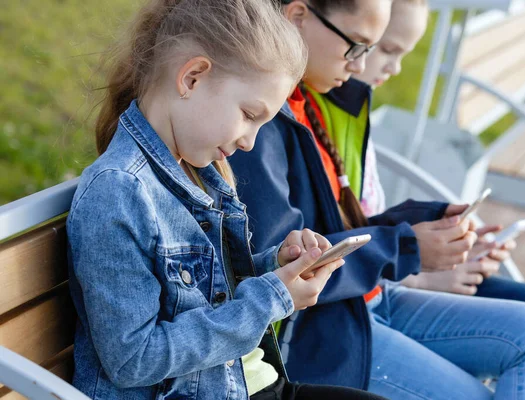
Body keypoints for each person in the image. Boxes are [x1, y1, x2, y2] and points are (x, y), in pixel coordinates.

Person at [230, 1, 525, 398]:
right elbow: (294, 262)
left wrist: (425, 219)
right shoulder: (263, 121)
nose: (362, 66)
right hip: (319, 334)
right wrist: (409, 247)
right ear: (297, 16)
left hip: (363, 302)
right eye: (358, 45)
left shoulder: (313, 100)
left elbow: (339, 224)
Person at [66, 0, 390, 399]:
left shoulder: (198, 170)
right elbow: (134, 359)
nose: (249, 141)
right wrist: (273, 297)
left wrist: (276, 266)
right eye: (249, 114)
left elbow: (199, 294)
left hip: (245, 383)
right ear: (193, 78)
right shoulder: (118, 192)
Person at [350, 0, 525, 397]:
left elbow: (362, 222)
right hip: (380, 289)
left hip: (390, 279)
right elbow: (326, 245)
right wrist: (424, 272)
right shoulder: (310, 117)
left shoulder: (349, 110)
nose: (394, 68)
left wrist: (453, 246)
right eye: (384, 48)